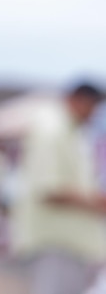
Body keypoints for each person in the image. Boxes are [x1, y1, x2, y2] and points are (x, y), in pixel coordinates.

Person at [9, 82, 106, 294]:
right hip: (56, 239)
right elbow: (49, 189)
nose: (93, 115)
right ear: (78, 100)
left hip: (65, 240)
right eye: (93, 107)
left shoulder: (66, 129)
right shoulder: (52, 130)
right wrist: (96, 202)